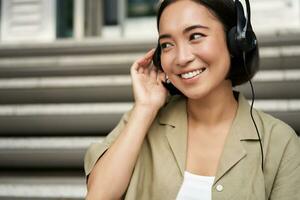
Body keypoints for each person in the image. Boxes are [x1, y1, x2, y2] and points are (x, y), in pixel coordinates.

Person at [84, 0, 300, 199]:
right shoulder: (142, 121)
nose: (181, 58)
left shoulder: (280, 143)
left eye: (195, 36)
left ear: (236, 42)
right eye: (167, 44)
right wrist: (145, 107)